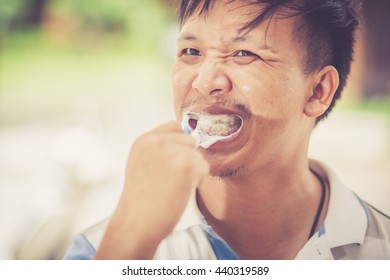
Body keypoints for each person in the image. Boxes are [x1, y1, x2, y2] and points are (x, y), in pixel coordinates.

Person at [64, 0, 390, 260]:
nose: (205, 82)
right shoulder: (102, 253)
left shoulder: (379, 252)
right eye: (191, 52)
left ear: (318, 91)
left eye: (244, 54)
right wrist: (130, 240)